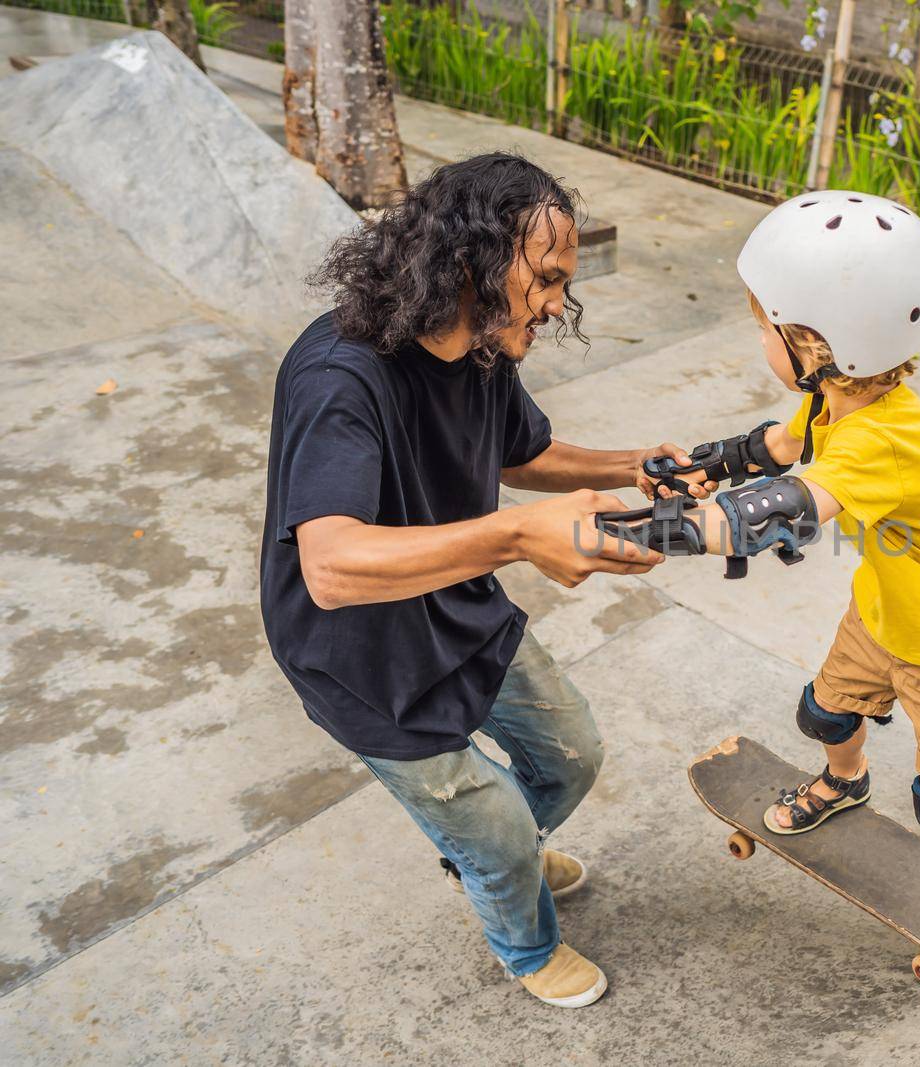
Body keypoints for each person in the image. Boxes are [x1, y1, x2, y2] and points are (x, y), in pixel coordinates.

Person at [258, 152, 706, 1008]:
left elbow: (522, 453)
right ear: (470, 259)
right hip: (360, 654)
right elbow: (331, 565)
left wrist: (630, 466)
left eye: (561, 283)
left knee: (572, 753)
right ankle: (525, 941)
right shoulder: (339, 375)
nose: (554, 303)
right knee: (496, 828)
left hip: (455, 605)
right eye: (543, 277)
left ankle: (489, 857)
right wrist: (514, 535)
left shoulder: (482, 344)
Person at [609, 190, 920, 978]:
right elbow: (779, 449)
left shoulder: (890, 438)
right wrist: (702, 468)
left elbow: (792, 505)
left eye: (766, 325)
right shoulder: (838, 400)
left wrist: (640, 531)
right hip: (882, 613)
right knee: (823, 712)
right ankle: (846, 782)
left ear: (817, 340)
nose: (759, 337)